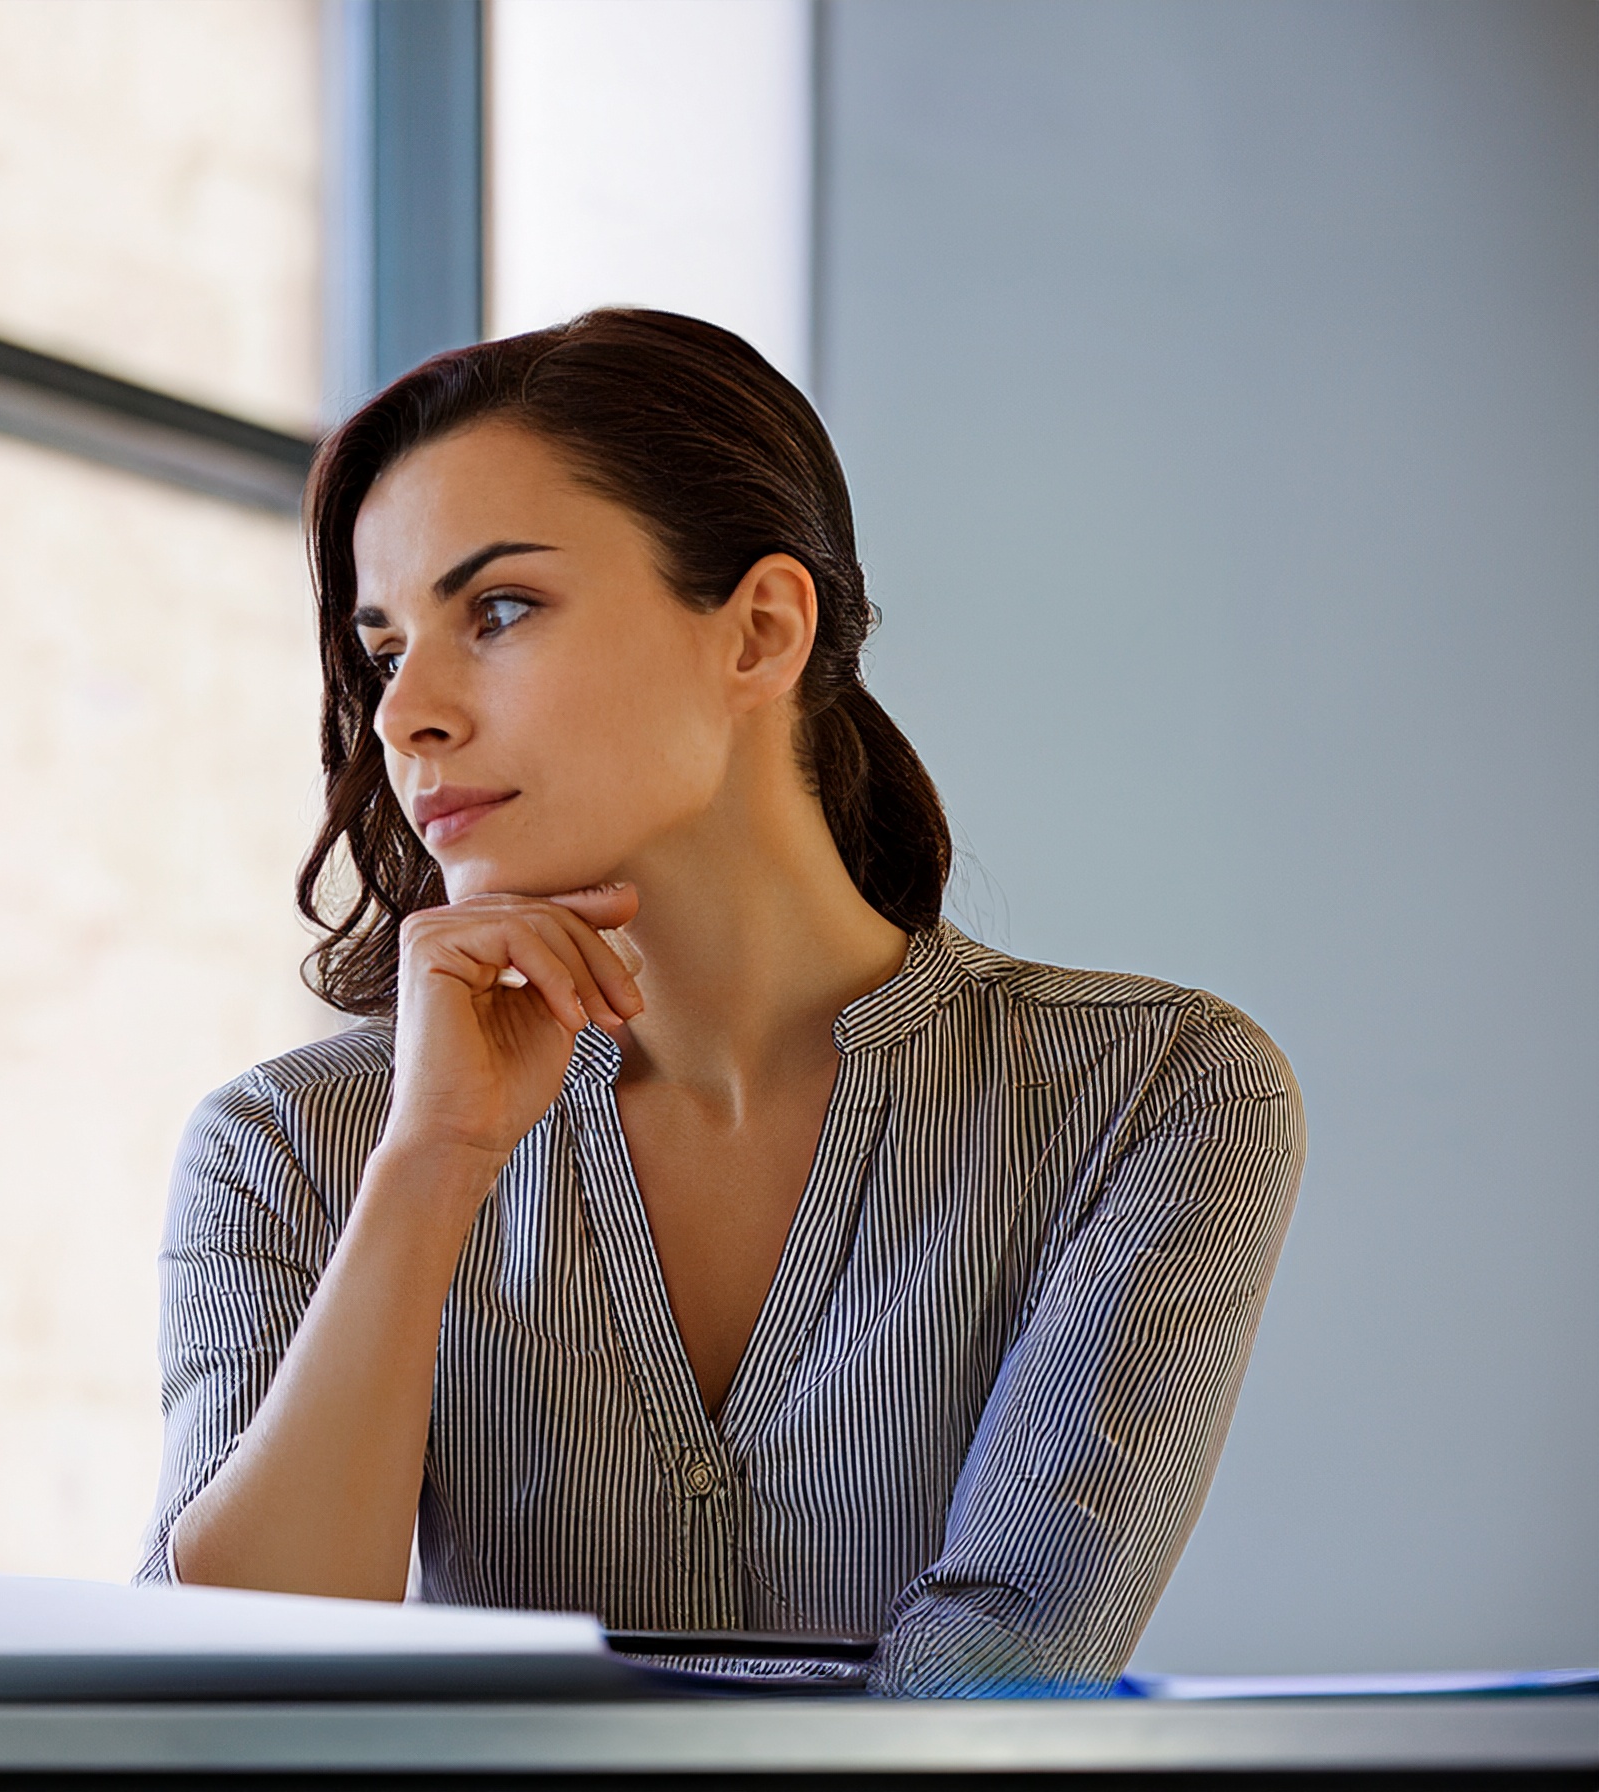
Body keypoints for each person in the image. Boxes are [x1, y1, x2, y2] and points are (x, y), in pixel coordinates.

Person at [134, 309, 1305, 1696]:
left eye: (497, 611)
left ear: (759, 630)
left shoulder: (1158, 1094)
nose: (406, 716)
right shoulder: (289, 1147)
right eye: (385, 651)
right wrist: (434, 1167)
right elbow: (215, 1691)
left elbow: (999, 1682)